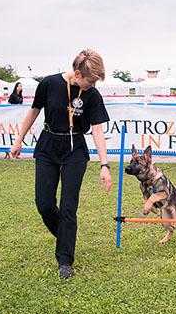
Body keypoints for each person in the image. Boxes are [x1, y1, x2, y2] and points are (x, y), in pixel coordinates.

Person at [10, 49, 112, 279]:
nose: (93, 85)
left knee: (68, 207)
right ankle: (66, 236)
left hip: (75, 149)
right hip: (48, 146)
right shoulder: (48, 84)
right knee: (44, 203)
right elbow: (33, 112)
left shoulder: (93, 95)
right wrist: (18, 140)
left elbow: (97, 129)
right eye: (91, 80)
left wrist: (104, 164)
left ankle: (65, 259)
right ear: (77, 73)